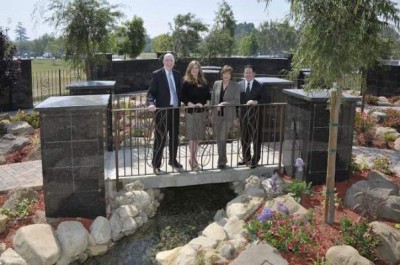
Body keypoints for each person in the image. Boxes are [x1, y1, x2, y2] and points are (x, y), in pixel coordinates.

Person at [147, 53, 182, 174]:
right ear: (163, 61)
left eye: (171, 60)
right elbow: (151, 92)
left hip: (175, 111)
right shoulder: (157, 74)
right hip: (162, 112)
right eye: (167, 60)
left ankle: (172, 160)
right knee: (160, 138)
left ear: (174, 62)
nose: (169, 62)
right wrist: (151, 103)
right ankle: (156, 164)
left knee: (174, 138)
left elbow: (180, 91)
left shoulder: (177, 74)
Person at [181, 60, 210, 171]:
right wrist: (190, 104)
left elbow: (208, 95)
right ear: (189, 69)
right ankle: (192, 159)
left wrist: (207, 102)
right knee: (192, 137)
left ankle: (193, 158)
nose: (194, 70)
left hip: (201, 112)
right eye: (192, 68)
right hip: (191, 112)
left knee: (198, 137)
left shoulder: (203, 81)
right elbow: (183, 96)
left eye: (196, 67)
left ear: (199, 69)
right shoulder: (186, 82)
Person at [211, 65, 240, 169]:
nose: (226, 75)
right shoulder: (216, 84)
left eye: (228, 73)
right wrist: (212, 114)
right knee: (219, 139)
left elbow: (237, 101)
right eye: (224, 73)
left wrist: (223, 103)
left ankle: (221, 161)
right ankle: (222, 159)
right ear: (222, 74)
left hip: (228, 116)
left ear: (231, 75)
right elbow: (213, 100)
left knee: (222, 137)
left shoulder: (235, 85)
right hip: (217, 115)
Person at [237, 65, 266, 168]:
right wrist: (236, 116)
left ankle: (255, 160)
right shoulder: (239, 85)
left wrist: (256, 101)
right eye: (246, 73)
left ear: (254, 73)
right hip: (243, 117)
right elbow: (237, 102)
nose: (248, 74)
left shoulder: (260, 85)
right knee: (244, 138)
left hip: (256, 117)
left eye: (250, 72)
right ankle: (246, 158)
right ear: (243, 74)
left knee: (256, 139)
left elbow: (266, 99)